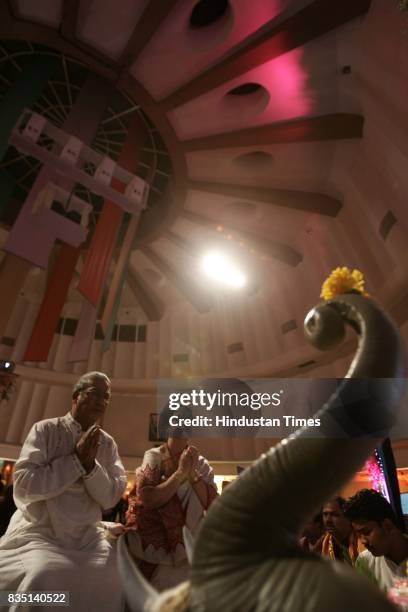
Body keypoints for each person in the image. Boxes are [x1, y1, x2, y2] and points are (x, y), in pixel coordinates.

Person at [0, 371, 127, 611]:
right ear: (76, 396)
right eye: (94, 394)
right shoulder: (45, 430)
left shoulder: (108, 444)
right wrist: (75, 461)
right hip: (41, 531)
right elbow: (25, 486)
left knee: (113, 578)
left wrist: (90, 466)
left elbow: (110, 498)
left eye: (106, 397)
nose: (101, 401)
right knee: (45, 578)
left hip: (87, 537)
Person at [125, 406, 218, 591]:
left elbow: (212, 503)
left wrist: (193, 476)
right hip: (158, 550)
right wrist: (181, 473)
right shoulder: (154, 456)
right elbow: (148, 498)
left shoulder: (201, 463)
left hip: (192, 547)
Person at [344, 489, 408, 592]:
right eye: (358, 535)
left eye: (366, 532)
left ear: (387, 525)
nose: (363, 541)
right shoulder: (366, 562)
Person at [313, 496, 363, 564]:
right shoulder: (323, 543)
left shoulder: (363, 540)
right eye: (325, 514)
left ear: (347, 517)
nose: (328, 520)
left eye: (334, 515)